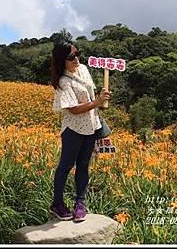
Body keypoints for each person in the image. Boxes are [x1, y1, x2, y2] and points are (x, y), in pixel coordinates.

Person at [49, 41, 111, 222]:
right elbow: (74, 109)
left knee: (83, 165)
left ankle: (80, 204)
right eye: (71, 57)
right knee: (66, 166)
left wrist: (101, 98)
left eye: (78, 54)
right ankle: (57, 204)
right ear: (62, 60)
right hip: (74, 129)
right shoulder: (63, 81)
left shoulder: (83, 68)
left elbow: (89, 95)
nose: (76, 59)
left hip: (91, 125)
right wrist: (98, 102)